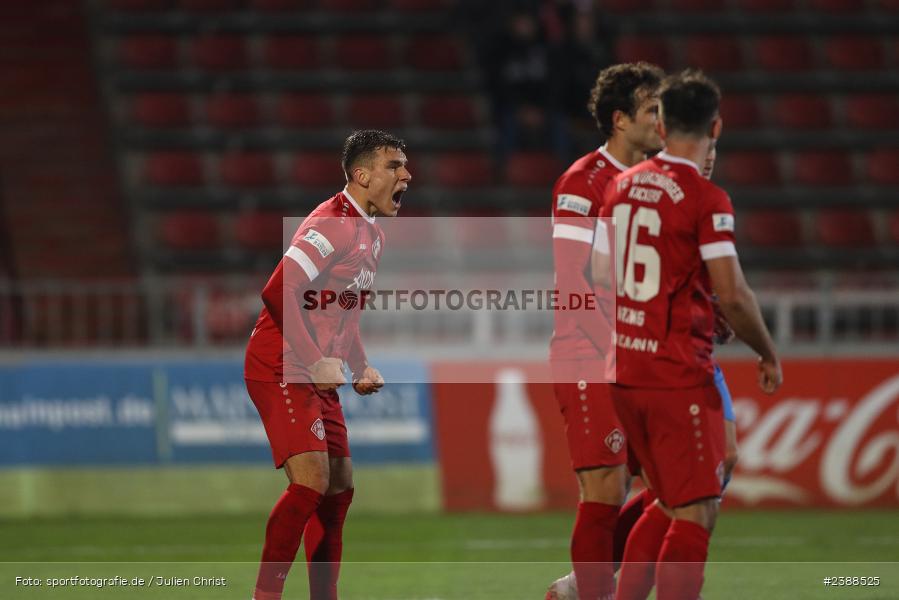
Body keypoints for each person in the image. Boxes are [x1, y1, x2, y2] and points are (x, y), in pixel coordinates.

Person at [596, 70, 782, 600]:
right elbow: (735, 293)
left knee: (669, 501)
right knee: (698, 511)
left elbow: (601, 274)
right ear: (715, 127)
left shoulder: (621, 185)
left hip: (624, 370)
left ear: (660, 121)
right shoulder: (705, 197)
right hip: (676, 374)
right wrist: (767, 352)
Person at [243, 130, 411, 600]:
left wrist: (359, 365)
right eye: (394, 166)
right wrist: (316, 361)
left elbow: (343, 313)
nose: (406, 174)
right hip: (280, 363)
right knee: (312, 481)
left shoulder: (371, 235)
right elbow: (278, 291)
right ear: (361, 175)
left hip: (316, 367)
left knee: (339, 488)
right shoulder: (331, 223)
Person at [547, 62, 665, 600]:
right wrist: (620, 354)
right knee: (605, 488)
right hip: (587, 352)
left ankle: (578, 586)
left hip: (644, 351)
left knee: (673, 485)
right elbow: (574, 283)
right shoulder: (582, 182)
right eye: (652, 110)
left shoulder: (657, 182)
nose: (663, 120)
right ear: (620, 120)